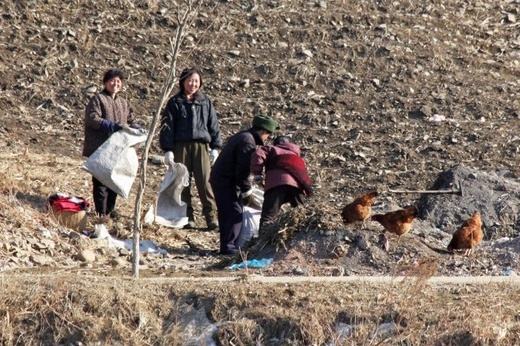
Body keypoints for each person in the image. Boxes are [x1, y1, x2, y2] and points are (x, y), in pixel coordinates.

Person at [159, 67, 222, 230]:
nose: (193, 84)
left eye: (196, 81)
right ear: (182, 82)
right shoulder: (174, 102)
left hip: (201, 146)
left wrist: (216, 146)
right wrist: (168, 149)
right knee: (183, 182)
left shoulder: (205, 101)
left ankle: (211, 217)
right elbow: (167, 126)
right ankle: (187, 217)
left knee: (205, 182)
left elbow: (213, 124)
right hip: (181, 145)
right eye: (190, 80)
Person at [210, 114, 278, 255]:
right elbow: (242, 171)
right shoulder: (248, 142)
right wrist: (247, 190)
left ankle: (229, 245)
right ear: (263, 131)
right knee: (233, 212)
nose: (267, 138)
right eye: (268, 135)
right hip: (225, 181)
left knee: (230, 211)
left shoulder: (244, 136)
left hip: (223, 179)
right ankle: (228, 247)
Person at [82, 68, 141, 219]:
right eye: (112, 81)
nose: (115, 84)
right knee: (100, 181)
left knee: (114, 179)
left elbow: (130, 120)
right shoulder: (98, 99)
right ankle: (101, 212)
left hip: (117, 148)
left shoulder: (123, 102)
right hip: (100, 147)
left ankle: (110, 209)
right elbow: (92, 118)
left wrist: (138, 129)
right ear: (105, 83)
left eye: (118, 81)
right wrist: (111, 126)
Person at [250, 136, 312, 232]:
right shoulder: (296, 154)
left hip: (276, 184)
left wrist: (257, 174)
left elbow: (258, 154)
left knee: (268, 216)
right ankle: (306, 233)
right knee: (301, 212)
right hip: (296, 186)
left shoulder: (272, 149)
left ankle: (262, 239)